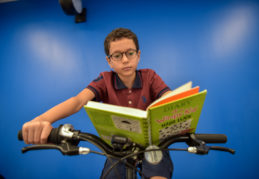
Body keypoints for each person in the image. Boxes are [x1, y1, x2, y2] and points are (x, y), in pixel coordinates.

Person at [22, 28, 173, 179]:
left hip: (152, 144)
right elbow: (78, 101)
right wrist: (40, 120)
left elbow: (170, 99)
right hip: (119, 146)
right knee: (113, 172)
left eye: (130, 53)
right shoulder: (105, 80)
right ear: (109, 61)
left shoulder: (150, 76)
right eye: (117, 55)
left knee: (158, 171)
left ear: (138, 55)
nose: (125, 60)